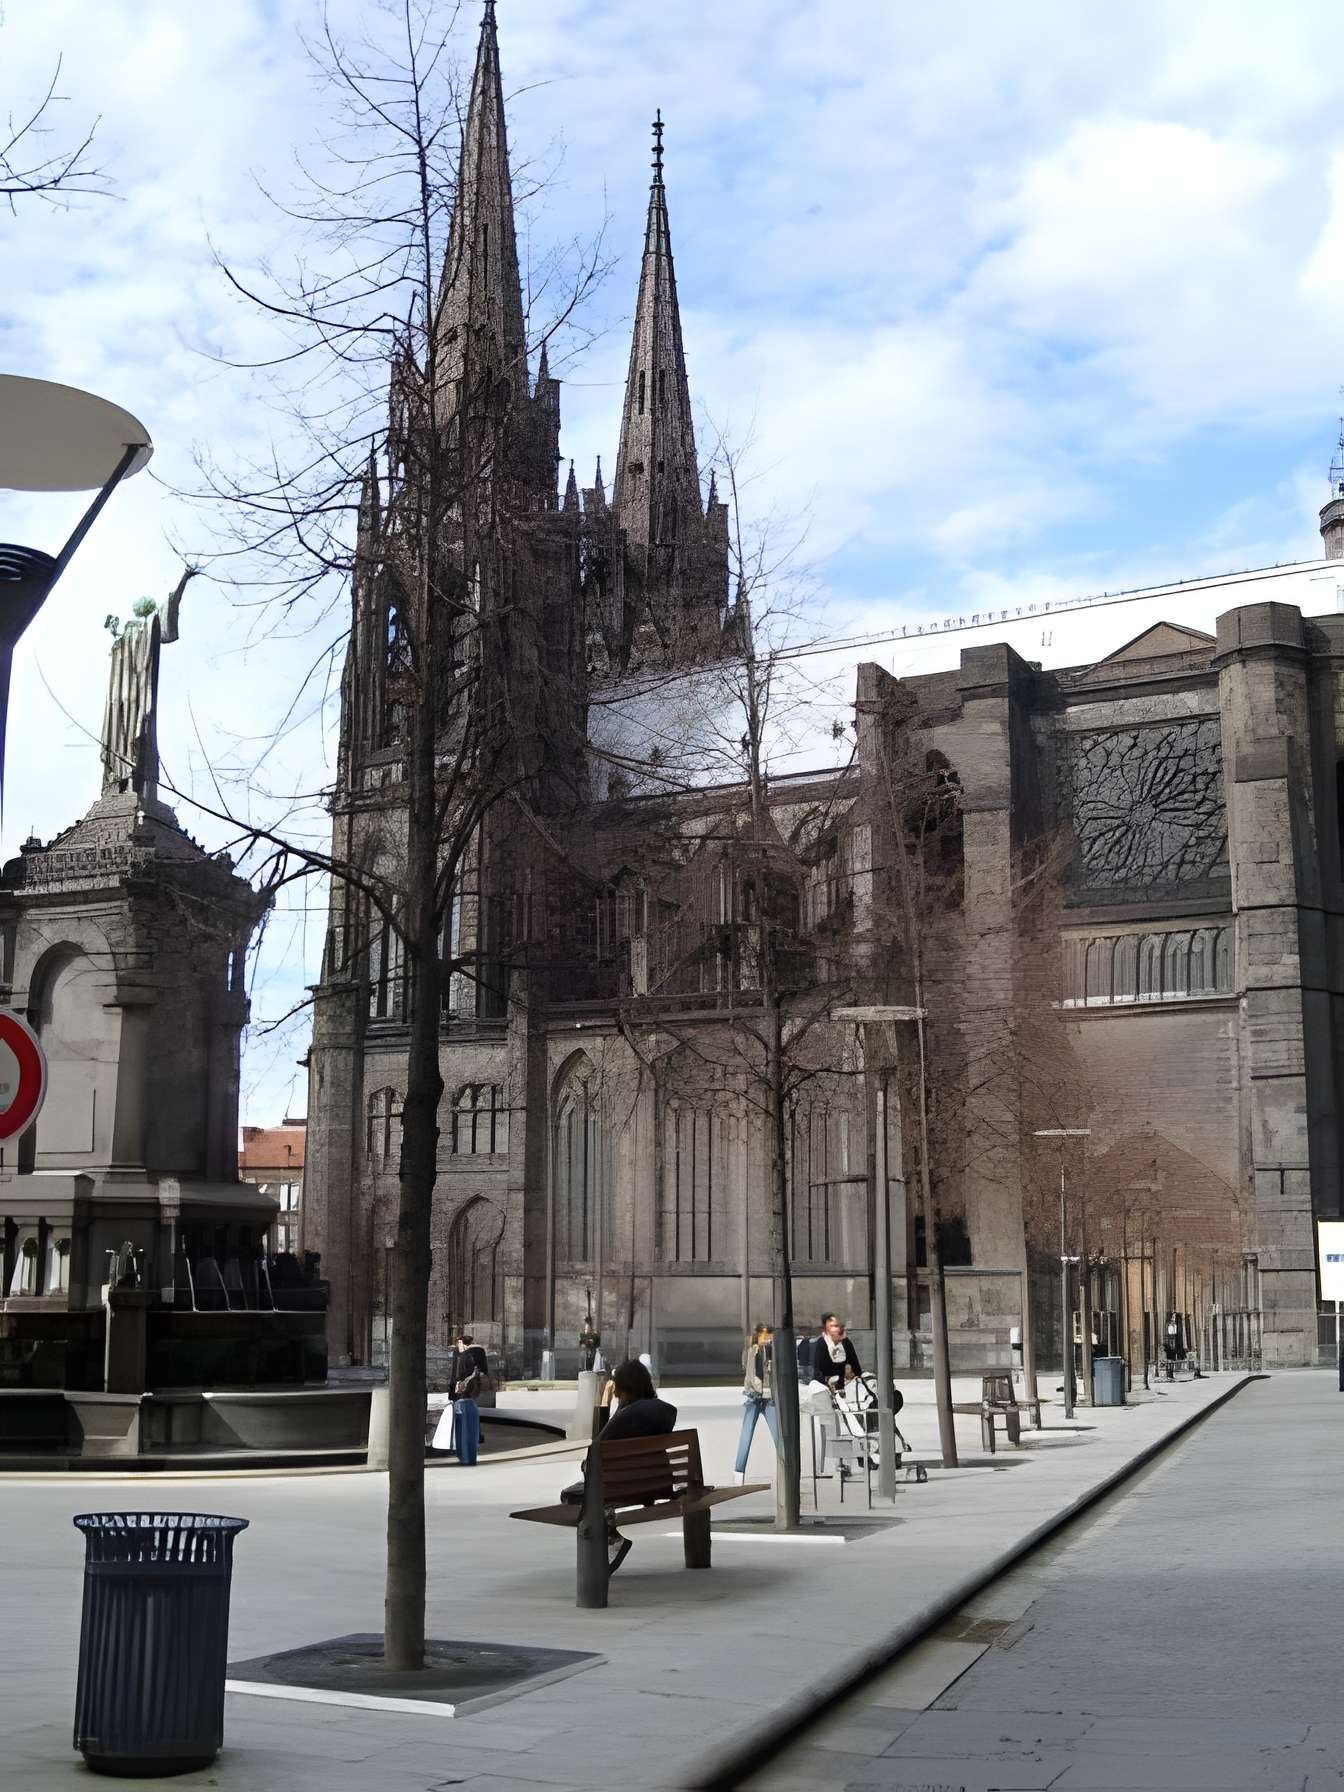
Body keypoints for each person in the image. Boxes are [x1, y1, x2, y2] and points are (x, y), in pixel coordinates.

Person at [560, 1359, 677, 1574]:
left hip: (621, 1487)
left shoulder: (624, 1417)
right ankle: (610, 1528)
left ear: (623, 1388)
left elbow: (591, 1461)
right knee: (601, 1485)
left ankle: (612, 1537)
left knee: (571, 1494)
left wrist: (611, 1409)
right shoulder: (666, 1412)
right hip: (656, 1483)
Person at [735, 1323, 780, 1484]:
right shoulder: (751, 1351)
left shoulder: (774, 1352)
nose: (766, 1338)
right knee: (745, 1436)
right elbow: (748, 1371)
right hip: (754, 1398)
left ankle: (784, 1468)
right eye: (763, 1334)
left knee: (778, 1436)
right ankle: (738, 1473)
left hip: (769, 1400)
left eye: (768, 1335)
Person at [450, 1332, 489, 1467]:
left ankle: (466, 1455)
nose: (457, 1346)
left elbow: (461, 1375)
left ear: (463, 1344)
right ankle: (470, 1452)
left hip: (465, 1393)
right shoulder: (477, 1354)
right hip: (470, 1394)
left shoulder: (467, 1356)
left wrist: (458, 1387)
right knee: (470, 1423)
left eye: (459, 1343)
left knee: (465, 1424)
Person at [812, 1313, 863, 1394]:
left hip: (847, 1387)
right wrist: (827, 1381)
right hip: (828, 1388)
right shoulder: (821, 1343)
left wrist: (854, 1375)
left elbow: (855, 1364)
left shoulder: (846, 1342)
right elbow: (817, 1370)